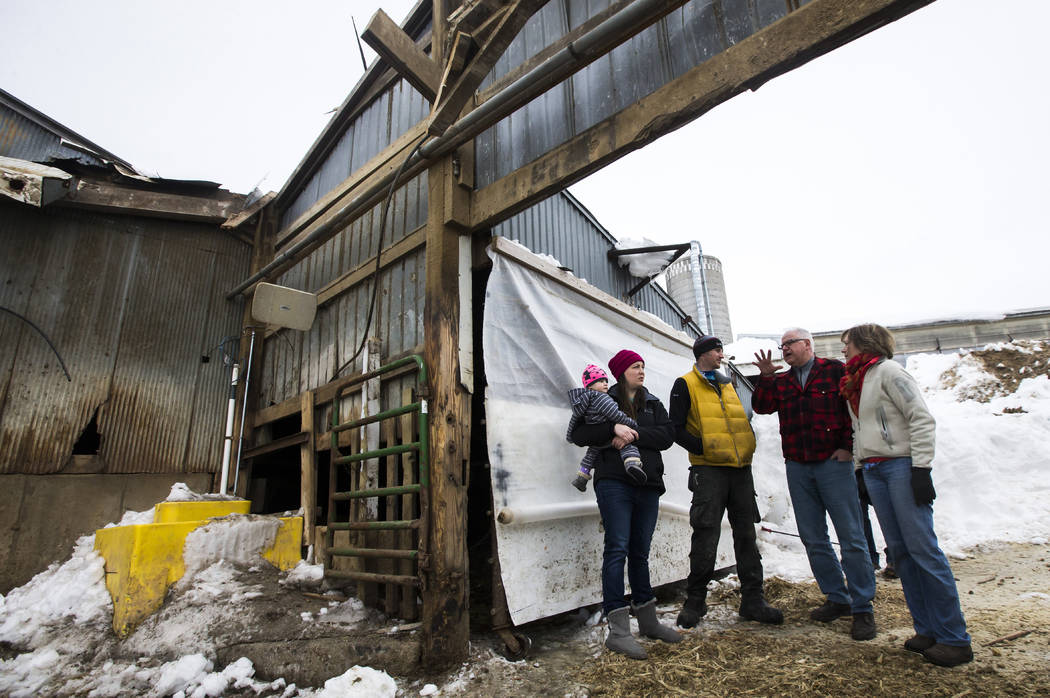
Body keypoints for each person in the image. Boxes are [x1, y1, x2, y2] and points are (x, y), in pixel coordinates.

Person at [840, 323, 972, 667]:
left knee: (923, 549)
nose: (843, 350)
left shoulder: (889, 372)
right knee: (901, 553)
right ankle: (927, 629)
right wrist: (859, 469)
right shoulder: (858, 381)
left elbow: (921, 418)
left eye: (847, 344)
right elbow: (859, 429)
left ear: (864, 343)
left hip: (901, 467)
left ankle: (955, 639)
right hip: (875, 470)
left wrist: (921, 468)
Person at [752, 328, 876, 641]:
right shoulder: (782, 380)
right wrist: (765, 377)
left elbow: (852, 410)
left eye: (789, 344)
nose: (784, 350)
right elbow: (762, 407)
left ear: (807, 344)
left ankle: (863, 606)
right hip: (798, 466)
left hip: (833, 464)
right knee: (812, 536)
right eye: (781, 346)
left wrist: (849, 446)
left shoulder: (835, 370)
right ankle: (837, 597)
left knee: (851, 534)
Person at [570, 349, 681, 659]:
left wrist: (631, 434)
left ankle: (648, 622)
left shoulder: (654, 402)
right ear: (620, 371)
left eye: (643, 366)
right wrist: (611, 429)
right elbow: (579, 433)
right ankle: (618, 632)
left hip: (648, 484)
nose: (641, 371)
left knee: (640, 552)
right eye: (635, 366)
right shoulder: (601, 397)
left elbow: (667, 436)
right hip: (614, 482)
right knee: (617, 548)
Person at [669, 334, 783, 628]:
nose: (722, 355)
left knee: (746, 533)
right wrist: (705, 448)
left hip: (740, 470)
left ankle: (753, 599)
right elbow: (675, 429)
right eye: (717, 350)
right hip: (709, 471)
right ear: (703, 354)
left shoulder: (727, 383)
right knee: (706, 532)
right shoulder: (685, 384)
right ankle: (695, 602)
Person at [566, 364, 646, 491]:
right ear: (590, 385)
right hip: (609, 435)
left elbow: (574, 419)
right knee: (627, 445)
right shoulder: (601, 397)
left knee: (591, 454)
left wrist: (569, 436)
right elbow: (614, 414)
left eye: (606, 381)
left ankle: (582, 476)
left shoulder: (581, 401)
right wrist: (630, 423)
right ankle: (632, 464)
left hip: (596, 437)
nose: (605, 384)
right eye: (600, 381)